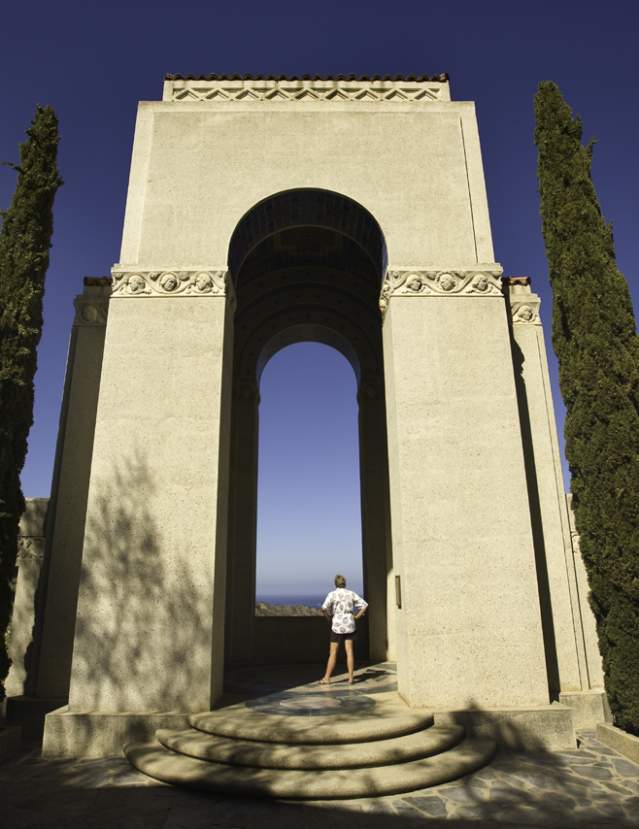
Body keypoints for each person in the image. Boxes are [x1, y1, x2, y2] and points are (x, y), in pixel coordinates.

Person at [320, 574, 368, 685]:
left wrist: (328, 618)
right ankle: (351, 678)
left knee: (333, 653)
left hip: (337, 626)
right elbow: (364, 605)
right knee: (350, 652)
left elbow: (323, 608)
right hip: (350, 625)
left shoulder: (332, 594)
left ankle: (327, 678)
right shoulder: (350, 593)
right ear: (344, 583)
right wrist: (357, 616)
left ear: (335, 583)